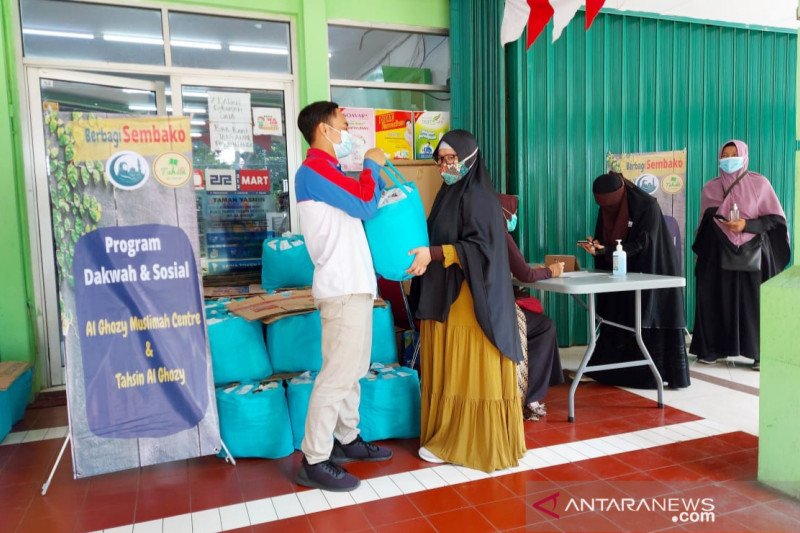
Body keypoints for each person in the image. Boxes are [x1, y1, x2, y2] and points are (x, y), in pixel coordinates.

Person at [407, 130, 525, 472]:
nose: (445, 165)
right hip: (447, 296)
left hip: (471, 301)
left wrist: (434, 253)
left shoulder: (480, 198)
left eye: (451, 158)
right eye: (441, 159)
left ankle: (467, 441)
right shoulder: (447, 195)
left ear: (470, 158)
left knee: (467, 368)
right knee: (449, 368)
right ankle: (446, 434)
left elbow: (481, 248)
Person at [293, 101, 393, 492]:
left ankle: (346, 439)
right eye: (343, 122)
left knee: (351, 369)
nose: (348, 128)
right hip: (341, 287)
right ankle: (314, 459)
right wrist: (370, 164)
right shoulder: (315, 169)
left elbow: (365, 200)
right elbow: (366, 205)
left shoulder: (331, 171)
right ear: (323, 129)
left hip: (354, 286)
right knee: (336, 376)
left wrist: (374, 174)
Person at [579, 172, 690, 389]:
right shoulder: (607, 208)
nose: (607, 211)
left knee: (643, 315)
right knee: (617, 313)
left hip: (650, 270)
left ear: (620, 195)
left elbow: (643, 243)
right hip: (620, 271)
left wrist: (608, 250)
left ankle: (650, 375)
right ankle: (611, 372)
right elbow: (603, 236)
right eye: (602, 206)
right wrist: (597, 247)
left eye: (610, 205)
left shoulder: (646, 207)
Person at [690, 140, 790, 371]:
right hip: (717, 254)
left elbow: (775, 220)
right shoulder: (710, 188)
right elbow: (704, 222)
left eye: (734, 154)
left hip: (753, 253)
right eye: (724, 155)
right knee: (715, 298)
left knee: (754, 303)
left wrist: (746, 224)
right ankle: (712, 349)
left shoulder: (760, 184)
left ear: (744, 155)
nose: (728, 159)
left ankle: (760, 353)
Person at [499, 193, 565, 421]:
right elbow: (525, 274)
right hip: (496, 314)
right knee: (545, 326)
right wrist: (550, 271)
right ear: (505, 214)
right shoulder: (501, 234)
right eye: (513, 214)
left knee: (540, 323)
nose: (513, 219)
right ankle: (532, 397)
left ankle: (537, 388)